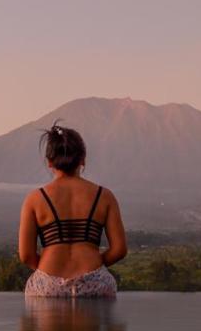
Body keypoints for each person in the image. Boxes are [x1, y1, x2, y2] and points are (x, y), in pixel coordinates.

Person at [18, 121, 128, 298]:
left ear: (49, 162)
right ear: (83, 159)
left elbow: (26, 255)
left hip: (47, 284)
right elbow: (120, 250)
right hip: (95, 281)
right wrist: (96, 266)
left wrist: (48, 273)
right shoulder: (104, 196)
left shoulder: (35, 199)